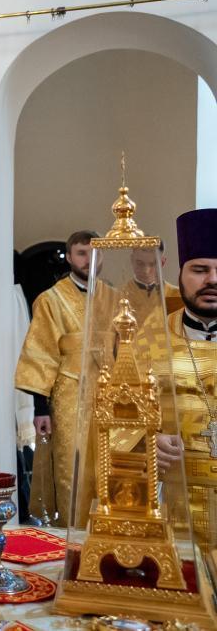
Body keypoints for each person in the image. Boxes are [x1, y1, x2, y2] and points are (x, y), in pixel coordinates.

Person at [139, 209, 217, 548]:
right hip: (173, 501)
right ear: (180, 274)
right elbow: (115, 417)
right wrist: (146, 442)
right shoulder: (150, 337)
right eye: (200, 270)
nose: (212, 279)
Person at [14, 230, 98, 527]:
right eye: (81, 253)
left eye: (94, 252)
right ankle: (72, 538)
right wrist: (41, 408)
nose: (88, 259)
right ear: (70, 257)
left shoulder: (113, 297)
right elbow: (42, 353)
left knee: (107, 471)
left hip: (109, 395)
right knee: (71, 470)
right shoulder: (51, 299)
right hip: (68, 396)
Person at [122, 240, 180, 321]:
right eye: (140, 263)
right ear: (132, 260)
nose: (146, 271)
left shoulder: (176, 295)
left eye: (152, 264)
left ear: (162, 263)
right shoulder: (120, 295)